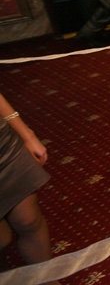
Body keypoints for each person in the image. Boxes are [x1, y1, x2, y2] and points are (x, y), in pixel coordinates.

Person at [0, 93, 59, 284]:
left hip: (3, 145)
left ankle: (48, 280)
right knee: (2, 239)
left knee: (29, 221)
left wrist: (27, 135)